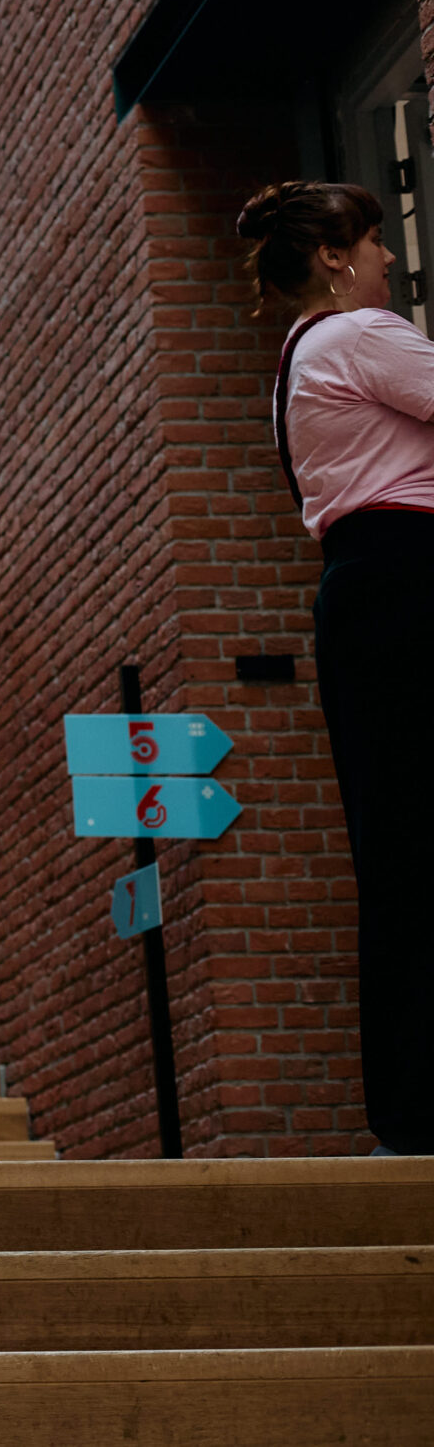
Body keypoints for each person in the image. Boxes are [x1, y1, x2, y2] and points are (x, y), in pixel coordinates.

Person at [251, 178, 427, 1157]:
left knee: (395, 855)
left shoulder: (291, 364)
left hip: (359, 596)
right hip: (411, 584)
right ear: (331, 257)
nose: (388, 260)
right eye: (371, 241)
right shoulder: (361, 335)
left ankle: (408, 1113)